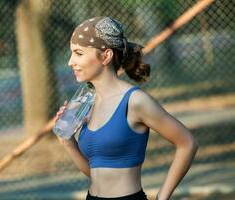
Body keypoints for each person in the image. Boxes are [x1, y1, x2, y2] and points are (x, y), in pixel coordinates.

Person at [54, 16, 198, 200]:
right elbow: (95, 173)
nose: (70, 61)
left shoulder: (135, 101)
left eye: (78, 53)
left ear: (106, 56)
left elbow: (187, 143)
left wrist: (162, 197)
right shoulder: (87, 103)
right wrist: (67, 142)